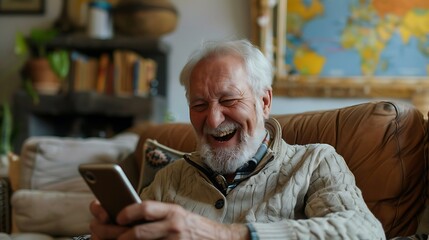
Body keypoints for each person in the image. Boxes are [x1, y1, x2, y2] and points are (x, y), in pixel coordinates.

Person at [89, 39, 385, 239]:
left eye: (229, 100)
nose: (214, 119)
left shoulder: (316, 161)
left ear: (264, 101)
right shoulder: (170, 178)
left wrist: (227, 234)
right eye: (199, 105)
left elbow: (364, 231)